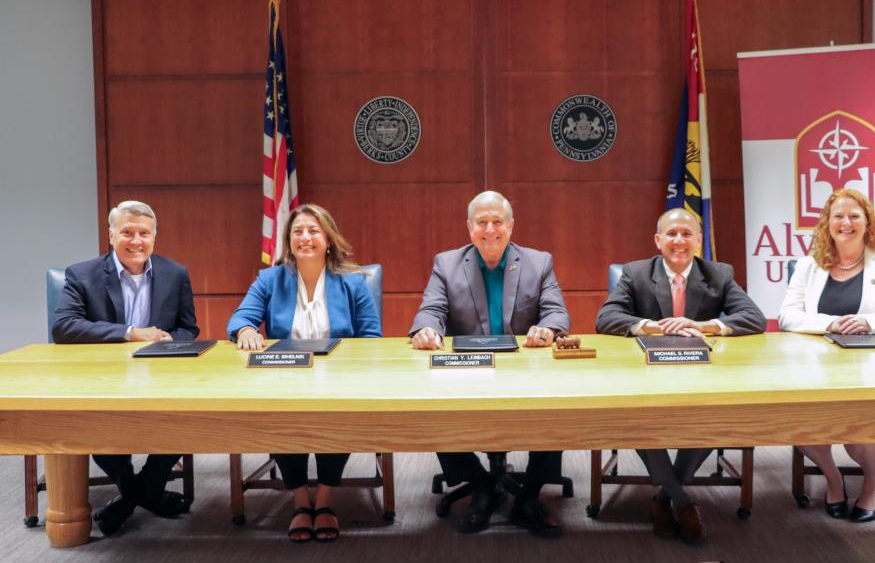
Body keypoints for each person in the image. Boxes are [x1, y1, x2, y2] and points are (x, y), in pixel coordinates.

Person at [595, 207, 766, 544]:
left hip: (701, 377)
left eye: (687, 234)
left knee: (713, 416)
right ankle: (682, 501)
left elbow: (754, 317)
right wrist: (648, 327)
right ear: (658, 240)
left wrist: (703, 326)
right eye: (671, 234)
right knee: (634, 418)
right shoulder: (636, 273)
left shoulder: (718, 274)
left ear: (698, 241)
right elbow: (606, 317)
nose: (679, 241)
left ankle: (664, 498)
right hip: (647, 378)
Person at [409, 190, 569, 538]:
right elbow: (431, 310)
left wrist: (549, 328)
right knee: (432, 408)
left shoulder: (538, 262)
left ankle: (528, 496)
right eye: (482, 222)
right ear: (470, 227)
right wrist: (426, 329)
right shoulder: (447, 264)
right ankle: (482, 483)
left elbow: (556, 311)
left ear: (511, 226)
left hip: (523, 370)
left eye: (498, 221)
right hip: (468, 368)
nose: (490, 229)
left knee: (559, 406)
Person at [227, 203, 382, 542]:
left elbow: (372, 339)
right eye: (298, 231)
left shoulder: (353, 282)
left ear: (328, 239)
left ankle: (324, 500)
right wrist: (246, 331)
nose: (305, 237)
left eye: (313, 230)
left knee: (337, 415)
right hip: (285, 378)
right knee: (285, 415)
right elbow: (239, 319)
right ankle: (300, 500)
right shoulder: (270, 278)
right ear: (289, 240)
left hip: (339, 380)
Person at [779, 188, 875, 523]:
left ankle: (873, 484)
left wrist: (869, 322)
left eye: (854, 216)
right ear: (827, 223)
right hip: (816, 369)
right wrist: (831, 322)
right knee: (799, 424)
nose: (846, 223)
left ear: (867, 222)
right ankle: (833, 479)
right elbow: (787, 316)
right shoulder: (809, 264)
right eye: (838, 216)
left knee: (862, 432)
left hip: (874, 367)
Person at [51, 200, 199, 536]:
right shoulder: (82, 274)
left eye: (144, 233)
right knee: (95, 424)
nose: (136, 241)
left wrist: (165, 340)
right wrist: (130, 333)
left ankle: (132, 495)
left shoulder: (175, 273)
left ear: (154, 237)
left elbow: (189, 329)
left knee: (188, 414)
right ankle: (146, 493)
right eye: (127, 232)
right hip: (103, 379)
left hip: (160, 376)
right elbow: (64, 326)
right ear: (111, 235)